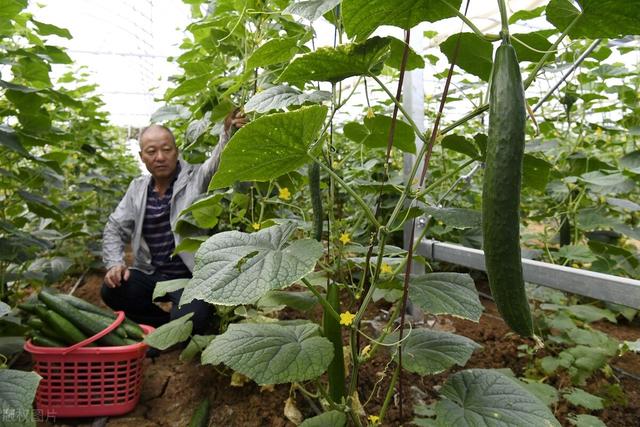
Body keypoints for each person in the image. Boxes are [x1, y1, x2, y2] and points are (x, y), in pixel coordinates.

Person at [101, 111, 247, 335]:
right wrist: (114, 263)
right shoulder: (137, 188)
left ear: (176, 151)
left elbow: (217, 163)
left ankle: (171, 329)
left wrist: (227, 132)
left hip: (190, 277)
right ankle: (165, 326)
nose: (160, 157)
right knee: (112, 290)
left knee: (193, 317)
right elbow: (115, 227)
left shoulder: (195, 178)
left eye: (166, 149)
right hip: (151, 275)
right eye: (152, 151)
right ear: (142, 157)